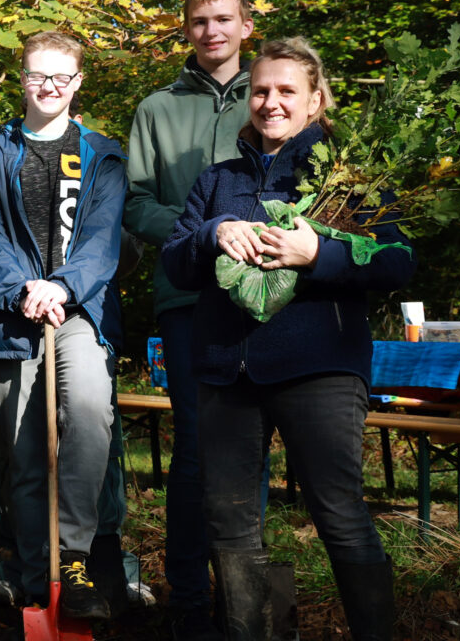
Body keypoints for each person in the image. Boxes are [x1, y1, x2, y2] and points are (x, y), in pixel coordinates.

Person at [161, 37, 411, 641]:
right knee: (229, 522)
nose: (270, 102)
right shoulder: (218, 181)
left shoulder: (348, 179)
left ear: (315, 100)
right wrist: (215, 232)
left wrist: (317, 252)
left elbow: (398, 262)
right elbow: (173, 261)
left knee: (340, 516)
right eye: (260, 91)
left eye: (285, 91)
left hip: (318, 369)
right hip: (227, 372)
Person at [0, 31, 125, 620]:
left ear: (78, 81)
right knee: (23, 445)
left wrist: (61, 286)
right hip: (13, 314)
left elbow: (103, 239)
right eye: (39, 75)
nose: (50, 86)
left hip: (80, 312)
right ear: (22, 78)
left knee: (87, 409)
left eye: (62, 76)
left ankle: (76, 560)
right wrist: (22, 291)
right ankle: (37, 572)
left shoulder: (102, 155)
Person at [121, 0, 254, 639]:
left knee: (251, 446)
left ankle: (243, 595)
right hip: (188, 298)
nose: (213, 32)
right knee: (199, 447)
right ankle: (190, 601)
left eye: (224, 20)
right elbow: (137, 203)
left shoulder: (272, 100)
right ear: (187, 29)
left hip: (265, 294)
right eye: (200, 21)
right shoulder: (157, 109)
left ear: (246, 26)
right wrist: (203, 229)